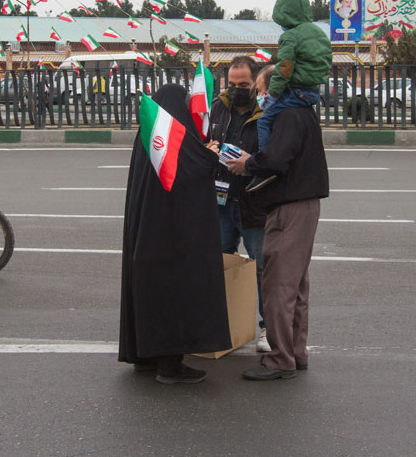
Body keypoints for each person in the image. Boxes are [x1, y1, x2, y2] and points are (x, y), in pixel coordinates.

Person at [119, 83, 232, 384]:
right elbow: (183, 175)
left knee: (148, 293)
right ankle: (169, 365)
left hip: (145, 233)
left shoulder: (149, 134)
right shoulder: (170, 138)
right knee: (172, 294)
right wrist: (209, 156)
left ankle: (144, 356)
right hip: (168, 237)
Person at [227, 65, 329, 380]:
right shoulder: (302, 111)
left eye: (260, 90)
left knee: (278, 284)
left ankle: (280, 358)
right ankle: (295, 352)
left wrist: (249, 163)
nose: (259, 97)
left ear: (275, 90)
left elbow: (276, 158)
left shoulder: (287, 116)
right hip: (302, 204)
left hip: (289, 206)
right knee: (296, 285)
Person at [209, 56, 269, 352]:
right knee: (220, 262)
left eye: (243, 85)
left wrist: (250, 164)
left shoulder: (265, 111)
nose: (236, 90)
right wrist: (209, 148)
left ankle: (267, 328)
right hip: (220, 201)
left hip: (253, 203)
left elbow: (275, 155)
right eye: (231, 84)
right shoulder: (218, 107)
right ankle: (223, 325)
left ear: (255, 83)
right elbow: (204, 139)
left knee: (262, 268)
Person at [249, 0, 332, 191]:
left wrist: (273, 95)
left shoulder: (291, 36)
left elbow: (285, 68)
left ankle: (264, 167)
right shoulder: (319, 33)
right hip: (312, 91)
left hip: (296, 90)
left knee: (264, 120)